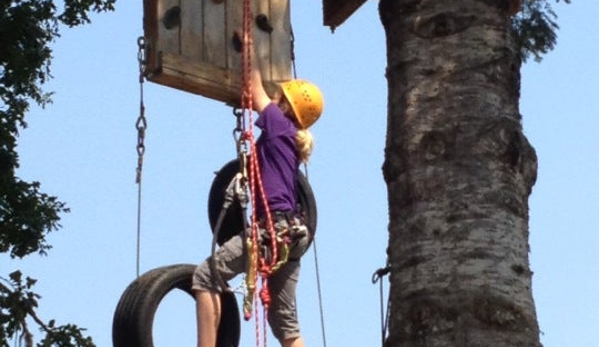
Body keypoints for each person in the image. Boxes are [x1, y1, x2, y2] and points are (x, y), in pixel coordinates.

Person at [191, 33, 324, 347]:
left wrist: (249, 47)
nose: (274, 99)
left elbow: (253, 90)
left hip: (272, 229)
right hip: (291, 236)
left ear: (286, 106)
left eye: (279, 97)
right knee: (283, 321)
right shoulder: (289, 139)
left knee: (206, 276)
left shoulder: (279, 124)